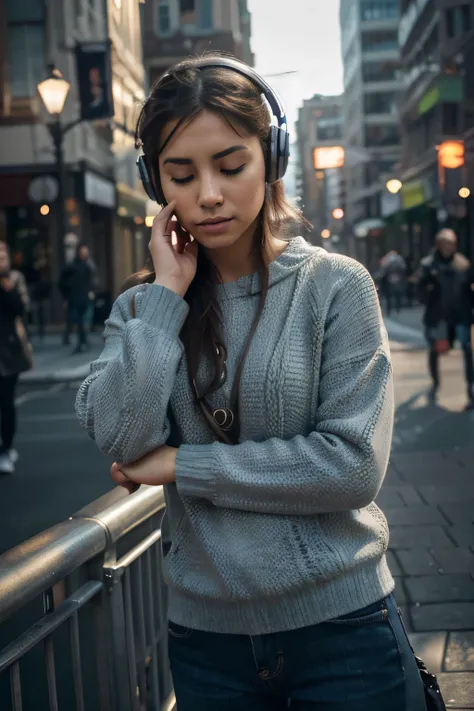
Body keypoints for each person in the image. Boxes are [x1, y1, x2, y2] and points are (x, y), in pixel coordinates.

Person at [76, 55, 427, 709]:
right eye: (182, 175)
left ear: (273, 158)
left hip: (343, 630)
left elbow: (350, 468)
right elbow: (124, 439)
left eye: (230, 166)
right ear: (156, 183)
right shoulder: (141, 310)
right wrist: (168, 294)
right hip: (208, 648)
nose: (208, 193)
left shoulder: (336, 287)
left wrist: (182, 464)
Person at [418, 228, 474, 409]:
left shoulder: (462, 264)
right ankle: (435, 384)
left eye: (451, 243)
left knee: (467, 351)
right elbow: (420, 292)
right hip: (439, 318)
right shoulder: (429, 265)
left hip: (460, 316)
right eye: (445, 244)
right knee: (436, 350)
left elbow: (468, 290)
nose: (448, 247)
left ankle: (470, 389)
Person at [0, 242, 31, 474]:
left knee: (6, 401)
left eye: (3, 255)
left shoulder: (14, 279)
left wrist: (8, 287)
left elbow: (20, 309)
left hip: (9, 350)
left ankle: (6, 448)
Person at [59, 244, 95, 353]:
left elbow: (89, 282)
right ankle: (80, 341)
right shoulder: (71, 267)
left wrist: (90, 292)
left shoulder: (87, 267)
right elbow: (62, 282)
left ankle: (80, 340)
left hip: (83, 297)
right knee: (77, 319)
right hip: (74, 297)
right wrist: (66, 295)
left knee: (79, 319)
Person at [380, 250, 407, 315]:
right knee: (397, 293)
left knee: (389, 295)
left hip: (390, 278)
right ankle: (397, 307)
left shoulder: (388, 259)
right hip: (397, 278)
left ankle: (390, 309)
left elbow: (384, 269)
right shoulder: (399, 259)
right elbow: (403, 268)